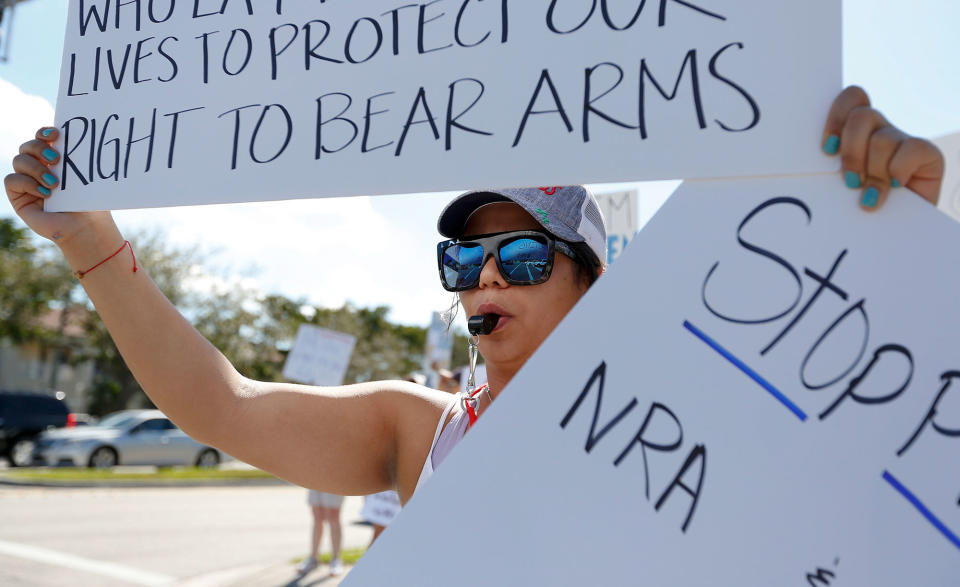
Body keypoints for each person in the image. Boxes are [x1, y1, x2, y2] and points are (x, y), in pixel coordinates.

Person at [3, 88, 945, 508]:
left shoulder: (698, 420)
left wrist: (880, 235)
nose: (487, 277)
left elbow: (859, 460)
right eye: (465, 260)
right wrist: (90, 241)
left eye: (526, 257)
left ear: (594, 283)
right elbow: (221, 403)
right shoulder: (421, 431)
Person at [297, 490, 345, 576]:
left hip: (334, 479)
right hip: (316, 479)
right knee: (317, 516)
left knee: (333, 516)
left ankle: (336, 559)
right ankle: (313, 559)